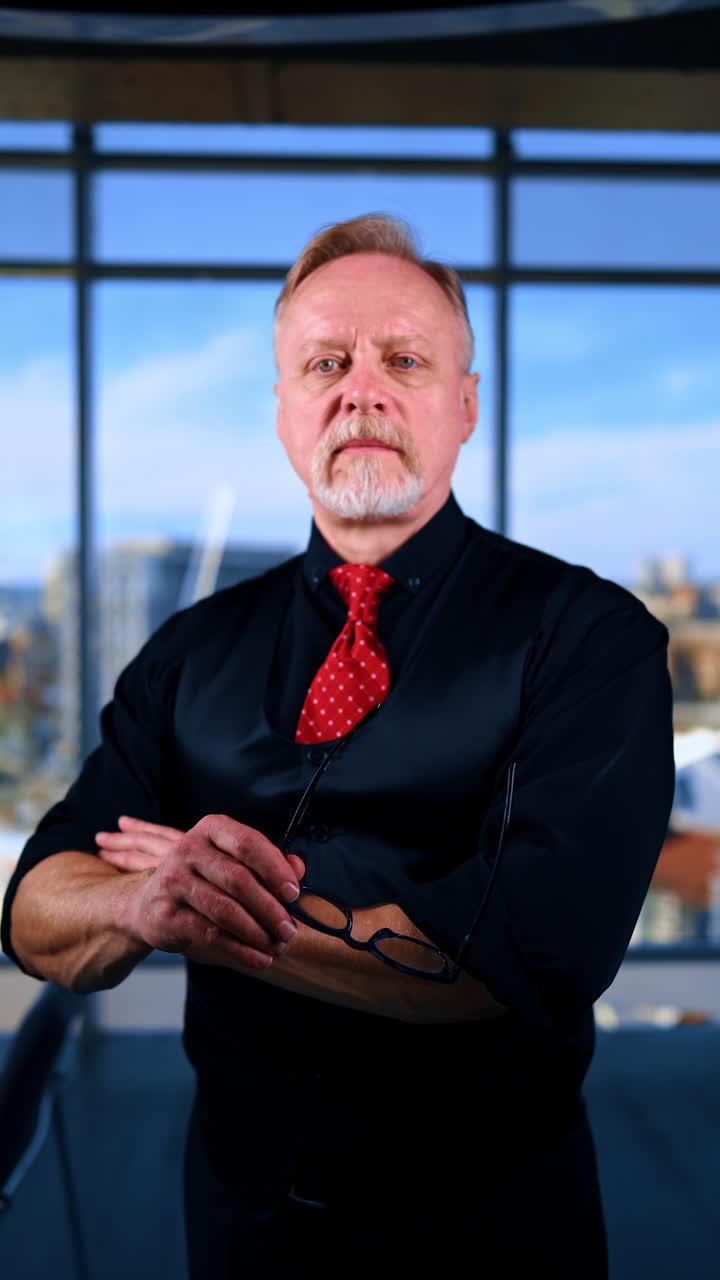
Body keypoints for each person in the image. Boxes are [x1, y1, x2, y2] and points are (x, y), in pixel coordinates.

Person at [2, 213, 674, 1278]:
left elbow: (533, 950)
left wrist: (204, 910)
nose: (361, 388)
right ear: (282, 411)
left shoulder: (589, 638)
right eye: (326, 362)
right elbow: (40, 898)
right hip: (237, 1220)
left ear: (467, 405)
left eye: (403, 359)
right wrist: (133, 901)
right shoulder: (189, 652)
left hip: (492, 1230)